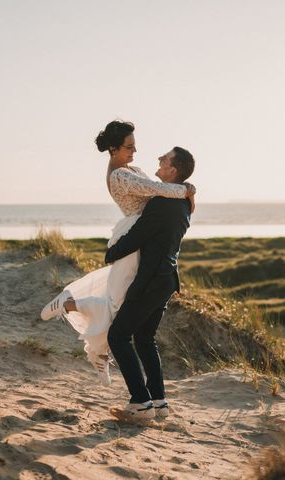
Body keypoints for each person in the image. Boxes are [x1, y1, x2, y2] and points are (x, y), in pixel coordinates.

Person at [39, 121, 195, 386]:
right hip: (133, 235)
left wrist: (184, 193)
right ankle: (69, 307)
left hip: (141, 235)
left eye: (134, 146)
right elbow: (161, 190)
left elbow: (160, 193)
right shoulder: (119, 175)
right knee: (117, 307)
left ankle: (100, 352)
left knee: (119, 306)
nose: (134, 151)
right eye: (128, 147)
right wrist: (189, 190)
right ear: (113, 149)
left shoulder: (131, 169)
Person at [105, 146, 195, 422]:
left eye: (164, 159)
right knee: (144, 338)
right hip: (166, 279)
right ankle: (159, 401)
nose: (158, 159)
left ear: (174, 169)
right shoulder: (183, 203)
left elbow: (139, 235)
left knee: (117, 336)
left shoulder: (162, 202)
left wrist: (112, 253)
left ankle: (141, 401)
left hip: (151, 280)